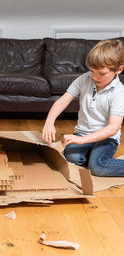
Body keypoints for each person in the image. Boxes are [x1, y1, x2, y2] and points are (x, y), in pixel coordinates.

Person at [42, 39, 124, 177]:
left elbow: (113, 128)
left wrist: (82, 141)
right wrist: (49, 122)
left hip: (106, 138)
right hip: (82, 133)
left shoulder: (119, 92)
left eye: (101, 74)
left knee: (98, 167)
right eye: (92, 71)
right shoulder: (84, 79)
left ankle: (99, 159)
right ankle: (95, 155)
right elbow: (62, 101)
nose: (94, 77)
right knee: (71, 158)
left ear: (119, 70)